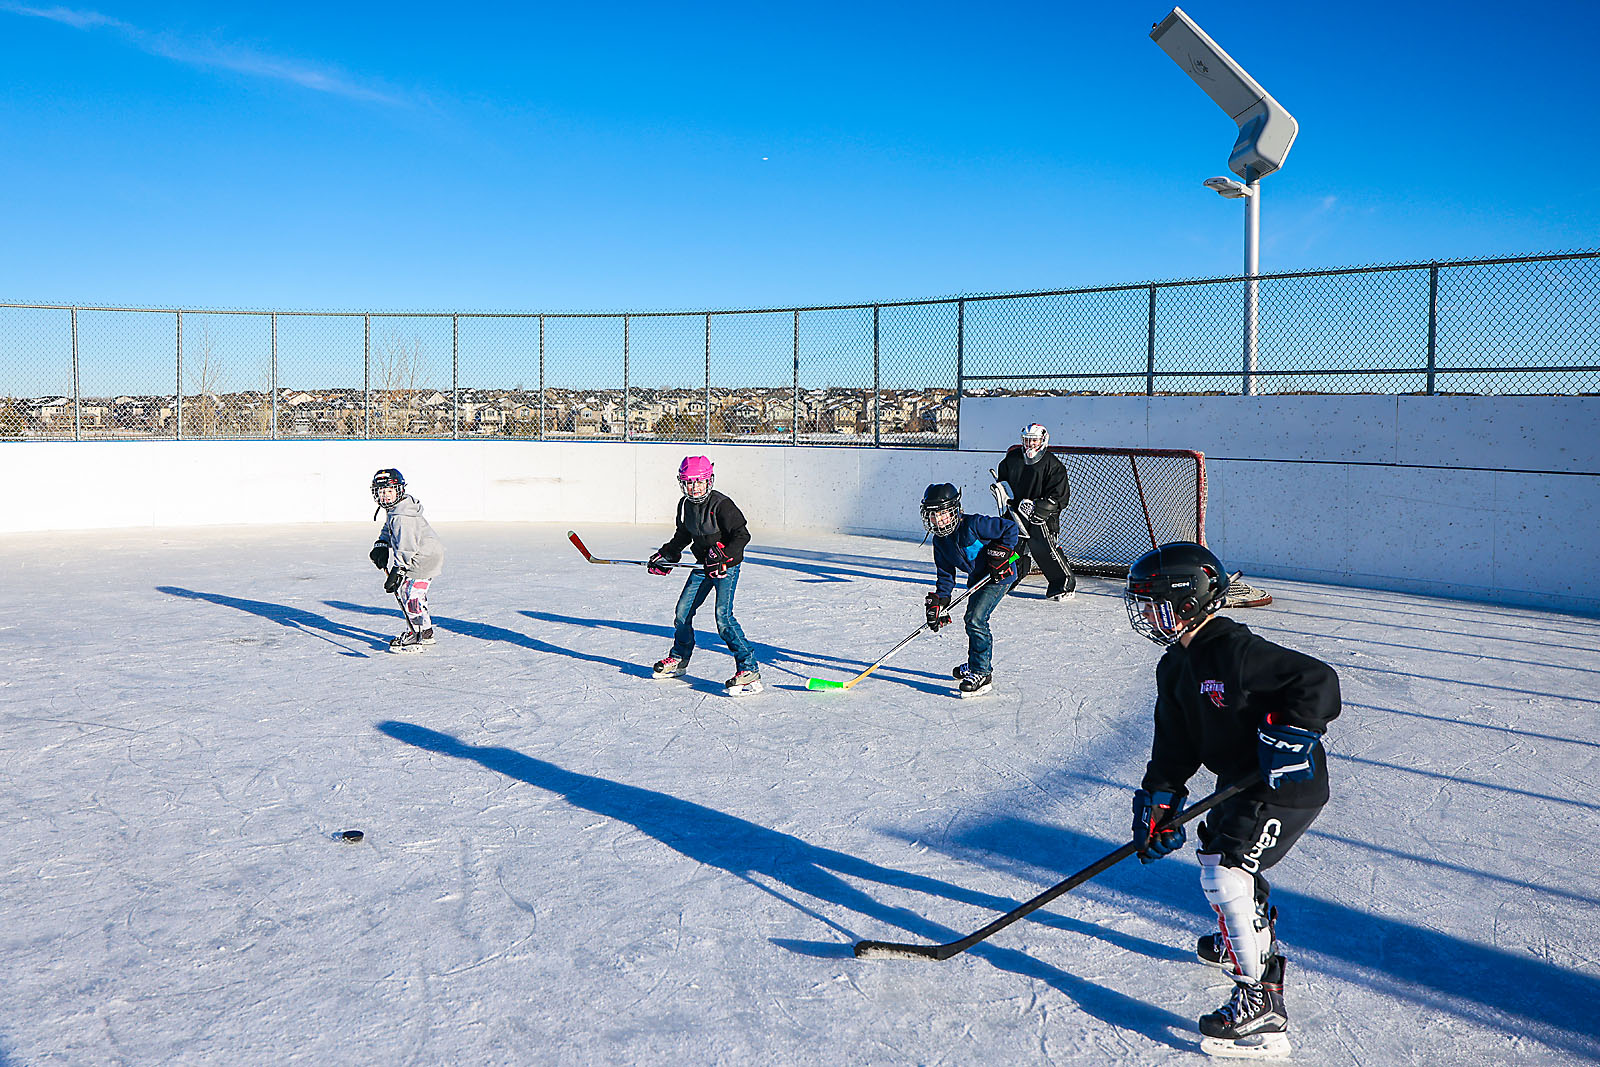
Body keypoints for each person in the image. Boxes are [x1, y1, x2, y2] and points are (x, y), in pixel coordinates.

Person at [1122, 541, 1340, 1059]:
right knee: (1219, 851)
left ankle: (1261, 1008)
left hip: (1284, 787)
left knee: (1225, 873)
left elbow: (1317, 681)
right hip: (1237, 782)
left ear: (1188, 600)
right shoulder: (1174, 666)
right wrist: (1162, 796)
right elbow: (1174, 743)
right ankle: (1244, 933)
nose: (1146, 614)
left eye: (1154, 603)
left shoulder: (1234, 649)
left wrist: (1293, 733)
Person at [647, 456, 761, 696]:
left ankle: (748, 668)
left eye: (699, 482)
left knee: (723, 617)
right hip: (703, 566)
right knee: (682, 613)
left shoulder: (722, 505)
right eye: (689, 483)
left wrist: (725, 557)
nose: (694, 488)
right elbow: (683, 535)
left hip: (725, 567)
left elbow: (742, 536)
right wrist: (667, 554)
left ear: (709, 481)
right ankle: (679, 658)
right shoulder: (685, 505)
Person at [919, 482, 1021, 697]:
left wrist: (1001, 552)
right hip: (978, 580)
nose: (938, 520)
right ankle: (976, 661)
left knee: (975, 619)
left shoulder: (974, 524)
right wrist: (940, 601)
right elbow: (946, 576)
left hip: (1000, 576)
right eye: (933, 515)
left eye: (943, 514)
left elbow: (1010, 528)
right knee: (973, 621)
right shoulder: (940, 542)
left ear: (955, 510)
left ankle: (982, 672)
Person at [994, 422, 1075, 601]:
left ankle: (1064, 585)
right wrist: (1002, 493)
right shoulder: (1012, 459)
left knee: (1044, 549)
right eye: (1027, 440)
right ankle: (1009, 578)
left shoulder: (1052, 464)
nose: (1030, 444)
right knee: (1011, 547)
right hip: (1016, 513)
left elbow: (1060, 496)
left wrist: (1041, 506)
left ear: (1043, 441)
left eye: (1034, 440)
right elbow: (1004, 482)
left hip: (1042, 516)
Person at [369, 468, 446, 654]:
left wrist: (398, 570)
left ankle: (417, 634)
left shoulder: (402, 517)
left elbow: (407, 546)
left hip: (423, 558)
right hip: (420, 555)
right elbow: (389, 527)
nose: (385, 496)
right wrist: (382, 543)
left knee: (410, 594)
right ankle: (424, 631)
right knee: (411, 593)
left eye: (389, 491)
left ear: (399, 490)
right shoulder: (397, 508)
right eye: (382, 492)